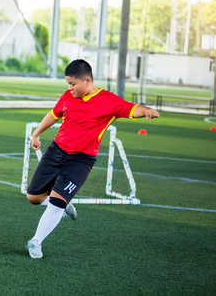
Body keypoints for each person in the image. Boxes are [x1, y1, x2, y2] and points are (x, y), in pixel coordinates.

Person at [26, 59, 160, 259]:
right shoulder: (67, 97)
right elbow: (53, 115)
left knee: (56, 203)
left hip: (81, 160)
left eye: (73, 84)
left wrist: (146, 110)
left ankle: (35, 242)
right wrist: (36, 134)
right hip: (56, 151)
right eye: (68, 84)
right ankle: (63, 204)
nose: (69, 88)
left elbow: (133, 109)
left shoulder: (109, 101)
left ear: (87, 81)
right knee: (33, 197)